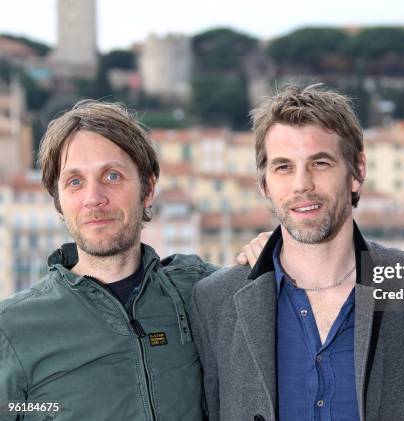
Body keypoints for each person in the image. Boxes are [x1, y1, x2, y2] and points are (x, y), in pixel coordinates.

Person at [191, 85, 404, 421]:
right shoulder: (215, 301)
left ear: (357, 172)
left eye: (320, 163)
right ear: (264, 185)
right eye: (283, 167)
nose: (302, 185)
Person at [0, 100, 255, 420]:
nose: (94, 198)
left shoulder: (201, 292)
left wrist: (270, 254)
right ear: (60, 203)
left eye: (112, 176)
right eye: (74, 182)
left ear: (147, 189)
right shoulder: (11, 328)